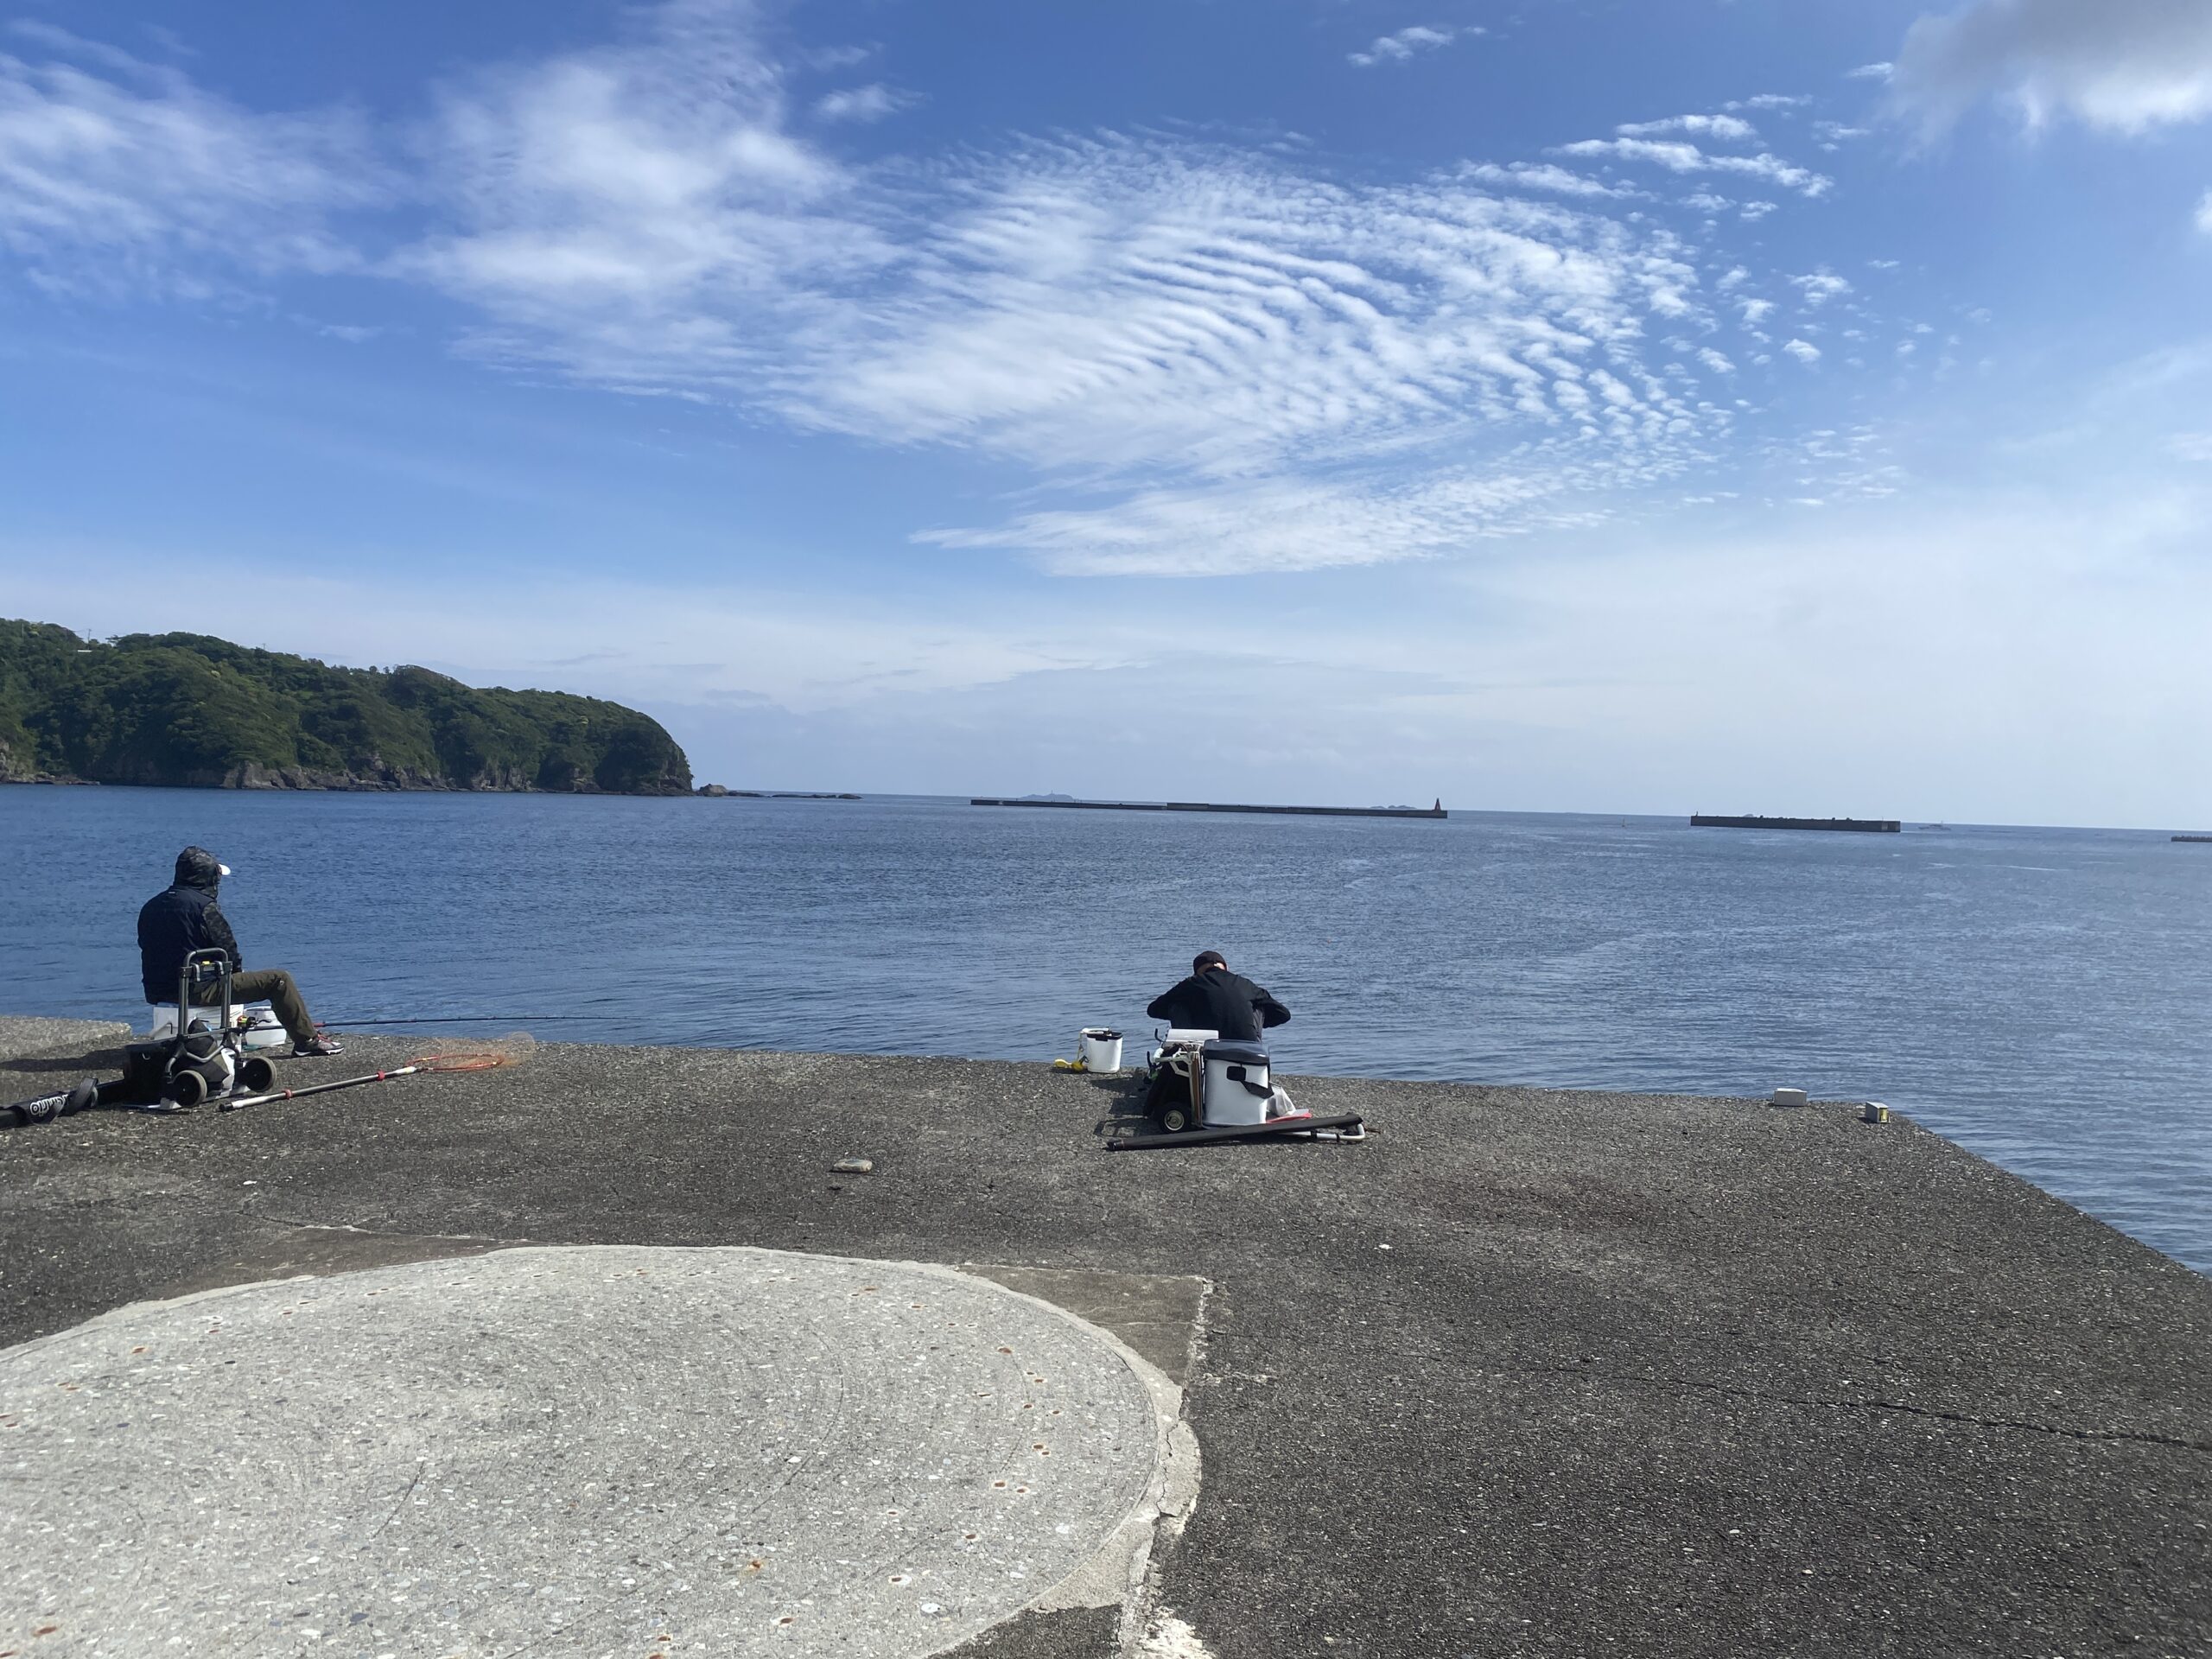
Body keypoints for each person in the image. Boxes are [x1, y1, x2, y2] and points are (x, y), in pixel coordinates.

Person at [137, 847, 343, 1058]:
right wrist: (234, 972)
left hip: (158, 991)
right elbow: (229, 952)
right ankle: (307, 1042)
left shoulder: (150, 906)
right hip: (196, 990)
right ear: (208, 878)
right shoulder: (204, 907)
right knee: (279, 980)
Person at [1146, 950, 1289, 1043]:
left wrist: (1196, 1009)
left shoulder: (1192, 983)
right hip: (1249, 1046)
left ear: (1197, 972)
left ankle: (1186, 1045)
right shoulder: (1245, 984)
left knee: (1177, 1005)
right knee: (1259, 1006)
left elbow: (1154, 1010)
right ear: (1226, 968)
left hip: (1203, 1047)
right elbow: (1283, 1014)